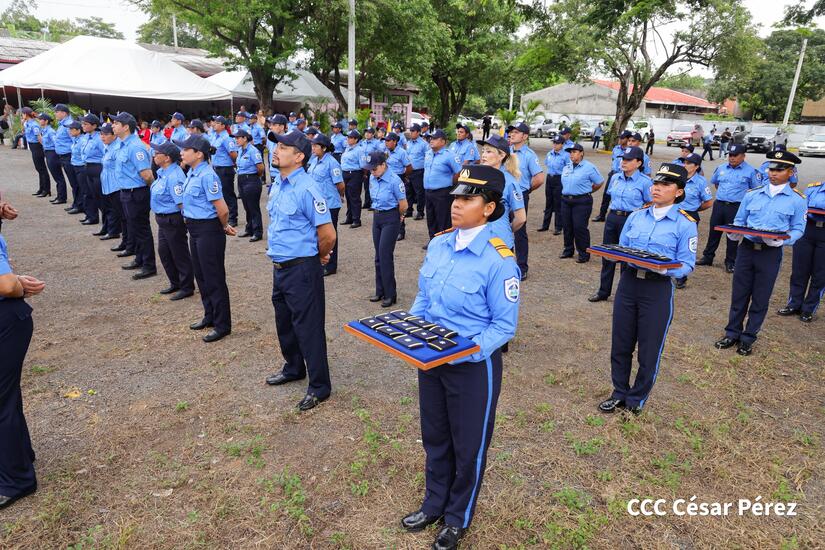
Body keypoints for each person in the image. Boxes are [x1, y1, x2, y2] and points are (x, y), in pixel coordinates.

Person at [401, 164, 519, 550]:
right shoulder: (439, 244)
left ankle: (457, 517)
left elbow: (504, 328)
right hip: (431, 359)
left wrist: (466, 350)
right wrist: (411, 332)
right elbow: (424, 299)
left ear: (488, 208)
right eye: (456, 197)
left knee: (468, 445)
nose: (456, 205)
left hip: (472, 369)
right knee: (434, 436)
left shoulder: (499, 259)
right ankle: (434, 502)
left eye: (467, 199)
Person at [597, 163, 697, 415]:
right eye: (656, 183)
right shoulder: (636, 216)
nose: (657, 188)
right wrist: (613, 256)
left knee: (649, 348)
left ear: (678, 192)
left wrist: (666, 270)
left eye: (665, 185)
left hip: (657, 289)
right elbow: (623, 248)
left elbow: (687, 264)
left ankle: (636, 399)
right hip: (629, 283)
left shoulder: (685, 223)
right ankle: (619, 391)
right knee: (621, 342)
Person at [264, 131, 336, 412]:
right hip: (280, 266)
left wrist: (315, 257)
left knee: (308, 327)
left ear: (299, 156)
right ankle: (293, 366)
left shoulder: (308, 188)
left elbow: (328, 234)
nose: (276, 150)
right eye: (276, 146)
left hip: (302, 268)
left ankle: (320, 386)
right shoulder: (279, 185)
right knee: (284, 321)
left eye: (283, 147)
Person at [714, 150, 806, 356]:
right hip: (747, 250)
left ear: (791, 172)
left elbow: (799, 228)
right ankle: (732, 332)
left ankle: (748, 338)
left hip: (770, 254)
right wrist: (734, 234)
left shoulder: (797, 200)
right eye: (771, 169)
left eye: (779, 170)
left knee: (760, 297)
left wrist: (783, 240)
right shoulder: (752, 194)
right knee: (739, 294)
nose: (773, 173)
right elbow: (740, 221)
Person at [0, 231, 46, 510]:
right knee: (7, 397)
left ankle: (16, 480)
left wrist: (16, 284)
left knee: (2, 401)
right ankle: (20, 455)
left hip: (6, 320)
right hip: (9, 319)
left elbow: (5, 286)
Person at [176, 134, 236, 342]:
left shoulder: (207, 175)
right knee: (201, 276)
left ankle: (222, 324)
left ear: (199, 154)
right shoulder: (192, 173)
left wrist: (223, 226)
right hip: (194, 229)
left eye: (185, 149)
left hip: (209, 230)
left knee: (214, 278)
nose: (181, 152)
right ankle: (209, 315)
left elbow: (222, 209)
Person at [588, 146, 651, 302]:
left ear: (638, 163)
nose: (624, 162)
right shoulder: (615, 178)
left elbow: (650, 203)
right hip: (613, 218)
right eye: (623, 159)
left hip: (631, 220)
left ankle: (624, 293)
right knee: (608, 254)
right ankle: (603, 291)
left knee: (627, 257)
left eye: (628, 160)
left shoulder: (645, 182)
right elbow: (610, 196)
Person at [696, 144, 759, 273]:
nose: (732, 158)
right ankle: (708, 257)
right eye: (730, 155)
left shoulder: (751, 171)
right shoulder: (721, 168)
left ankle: (730, 261)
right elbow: (716, 183)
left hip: (737, 207)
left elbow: (756, 191)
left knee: (733, 234)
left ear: (743, 156)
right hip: (720, 204)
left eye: (735, 155)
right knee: (714, 231)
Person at [112, 112, 157, 281]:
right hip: (126, 192)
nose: (113, 125)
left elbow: (146, 175)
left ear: (126, 127)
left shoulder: (136, 146)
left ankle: (149, 265)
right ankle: (140, 258)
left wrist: (151, 192)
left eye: (117, 123)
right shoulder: (123, 145)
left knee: (142, 229)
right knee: (133, 228)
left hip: (136, 193)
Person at [149, 141, 195, 301]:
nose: (154, 155)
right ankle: (175, 282)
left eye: (157, 153)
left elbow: (182, 203)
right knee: (164, 252)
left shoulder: (175, 176)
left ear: (167, 158)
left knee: (179, 253)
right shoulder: (163, 172)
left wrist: (185, 223)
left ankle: (187, 286)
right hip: (162, 219)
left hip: (173, 219)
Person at [364, 151, 408, 306]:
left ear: (383, 165)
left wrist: (400, 218)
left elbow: (403, 204)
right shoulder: (372, 177)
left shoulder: (394, 180)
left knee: (385, 255)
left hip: (391, 218)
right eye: (370, 169)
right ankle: (380, 291)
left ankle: (390, 294)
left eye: (374, 168)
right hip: (377, 217)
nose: (372, 171)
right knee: (378, 256)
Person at [778, 180, 825, 323]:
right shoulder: (813, 188)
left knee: (820, 275)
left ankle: (809, 309)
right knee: (799, 271)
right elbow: (803, 208)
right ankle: (794, 304)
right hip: (807, 230)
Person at [507, 122, 544, 279]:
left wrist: (526, 190)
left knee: (519, 231)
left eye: (516, 132)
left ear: (525, 136)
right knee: (502, 228)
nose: (512, 134)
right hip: (503, 195)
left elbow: (539, 178)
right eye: (511, 132)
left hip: (519, 195)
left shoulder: (529, 155)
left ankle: (522, 267)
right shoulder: (505, 151)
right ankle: (505, 264)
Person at [478, 134, 526, 251]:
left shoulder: (509, 182)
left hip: (500, 243)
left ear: (502, 155)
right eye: (483, 151)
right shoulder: (478, 176)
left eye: (489, 152)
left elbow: (521, 218)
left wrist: (506, 229)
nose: (483, 155)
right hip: (478, 241)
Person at [673, 153, 713, 289]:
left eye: (689, 163)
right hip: (674, 213)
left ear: (696, 166)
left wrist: (695, 209)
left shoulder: (700, 182)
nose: (685, 165)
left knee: (684, 246)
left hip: (689, 216)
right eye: (684, 162)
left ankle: (681, 276)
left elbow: (708, 202)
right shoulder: (678, 178)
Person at [308, 133, 345, 276]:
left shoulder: (332, 163)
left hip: (330, 205)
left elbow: (340, 185)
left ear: (323, 148)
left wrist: (339, 197)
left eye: (315, 145)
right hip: (317, 204)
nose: (313, 148)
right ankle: (321, 260)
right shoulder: (314, 160)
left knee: (330, 235)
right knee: (318, 234)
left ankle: (331, 266)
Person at [560, 143, 603, 263]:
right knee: (567, 226)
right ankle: (568, 250)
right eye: (570, 152)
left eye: (574, 152)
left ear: (581, 153)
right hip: (566, 200)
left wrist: (588, 191)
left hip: (581, 201)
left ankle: (584, 253)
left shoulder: (589, 167)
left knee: (579, 227)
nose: (571, 154)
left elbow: (599, 182)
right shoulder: (567, 167)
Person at [423, 129, 462, 244]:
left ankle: (444, 242)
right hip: (428, 191)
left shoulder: (449, 155)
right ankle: (433, 241)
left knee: (443, 219)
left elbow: (459, 172)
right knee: (431, 217)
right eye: (431, 138)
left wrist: (451, 183)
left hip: (443, 192)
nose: (431, 141)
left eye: (435, 138)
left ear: (443, 142)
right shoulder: (428, 153)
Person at [232, 129, 265, 243]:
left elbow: (260, 168)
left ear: (245, 138)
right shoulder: (240, 150)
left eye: (238, 138)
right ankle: (249, 228)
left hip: (251, 180)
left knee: (253, 207)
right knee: (246, 207)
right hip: (241, 180)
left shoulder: (253, 150)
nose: (236, 140)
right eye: (235, 138)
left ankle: (258, 232)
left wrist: (254, 177)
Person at [593, 130, 631, 222]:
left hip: (623, 176)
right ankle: (602, 215)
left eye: (622, 138)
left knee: (618, 195)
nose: (620, 140)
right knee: (606, 195)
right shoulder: (616, 148)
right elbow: (614, 161)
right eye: (620, 138)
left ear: (627, 139)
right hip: (613, 174)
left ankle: (616, 216)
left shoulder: (629, 151)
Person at [210, 116, 239, 227]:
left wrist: (234, 165)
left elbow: (233, 154)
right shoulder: (215, 136)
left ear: (223, 125)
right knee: (219, 193)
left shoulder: (227, 138)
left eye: (217, 123)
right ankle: (223, 215)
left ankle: (232, 217)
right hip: (216, 167)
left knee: (228, 193)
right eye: (214, 122)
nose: (214, 124)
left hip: (225, 169)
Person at [383, 132, 412, 241]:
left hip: (398, 178)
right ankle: (390, 229)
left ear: (395, 142)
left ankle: (401, 231)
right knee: (389, 204)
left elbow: (409, 167)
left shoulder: (401, 152)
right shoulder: (386, 152)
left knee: (399, 205)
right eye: (385, 141)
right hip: (387, 179)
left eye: (388, 141)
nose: (386, 143)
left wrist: (404, 176)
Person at [98, 123, 124, 244]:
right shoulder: (107, 147)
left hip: (116, 185)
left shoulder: (117, 148)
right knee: (110, 209)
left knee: (119, 213)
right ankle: (112, 230)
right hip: (107, 184)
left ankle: (120, 236)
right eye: (101, 134)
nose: (102, 137)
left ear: (114, 136)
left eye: (106, 134)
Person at [538, 136, 568, 234]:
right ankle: (545, 225)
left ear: (562, 145)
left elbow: (568, 169)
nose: (555, 145)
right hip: (549, 178)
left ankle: (558, 227)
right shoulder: (549, 154)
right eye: (554, 143)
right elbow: (547, 164)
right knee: (548, 203)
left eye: (557, 143)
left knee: (558, 204)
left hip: (559, 179)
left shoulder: (566, 155)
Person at [80, 114, 104, 229]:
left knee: (100, 196)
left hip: (97, 167)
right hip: (87, 166)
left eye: (86, 124)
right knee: (89, 193)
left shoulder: (99, 138)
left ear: (94, 126)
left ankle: (109, 225)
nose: (83, 126)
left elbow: (105, 154)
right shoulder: (85, 137)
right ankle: (92, 216)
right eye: (82, 123)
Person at [22, 108, 50, 197]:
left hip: (37, 147)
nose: (22, 116)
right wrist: (23, 122)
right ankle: (41, 188)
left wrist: (45, 148)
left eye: (22, 114)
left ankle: (46, 189)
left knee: (42, 169)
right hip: (32, 147)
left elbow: (39, 138)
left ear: (26, 114)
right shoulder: (27, 123)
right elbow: (25, 132)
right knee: (38, 169)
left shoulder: (34, 125)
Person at [39, 113, 65, 203]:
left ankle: (62, 197)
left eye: (41, 119)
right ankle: (60, 196)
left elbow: (56, 142)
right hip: (48, 152)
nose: (39, 120)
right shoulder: (45, 130)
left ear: (46, 121)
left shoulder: (50, 131)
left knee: (58, 176)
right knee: (56, 176)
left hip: (52, 153)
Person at [341, 129, 364, 228]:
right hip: (345, 173)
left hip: (355, 174)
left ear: (356, 139)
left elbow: (363, 165)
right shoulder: (347, 148)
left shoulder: (360, 150)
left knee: (354, 197)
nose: (348, 139)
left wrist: (362, 175)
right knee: (348, 196)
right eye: (348, 137)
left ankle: (356, 219)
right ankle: (349, 217)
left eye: (350, 138)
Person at [405, 123, 428, 220]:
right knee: (408, 191)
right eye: (410, 131)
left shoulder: (424, 144)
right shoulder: (408, 143)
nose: (411, 133)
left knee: (419, 192)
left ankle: (420, 211)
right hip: (409, 170)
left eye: (413, 131)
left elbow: (427, 158)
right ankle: (409, 210)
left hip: (419, 171)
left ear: (418, 132)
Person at [68, 121, 89, 220]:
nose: (69, 131)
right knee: (76, 186)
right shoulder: (75, 139)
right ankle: (78, 205)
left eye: (72, 129)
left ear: (78, 130)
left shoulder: (82, 140)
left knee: (84, 190)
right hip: (75, 165)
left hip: (81, 166)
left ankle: (85, 209)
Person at [360, 127, 381, 209]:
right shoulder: (363, 143)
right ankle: (367, 202)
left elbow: (380, 154)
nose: (367, 134)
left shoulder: (376, 143)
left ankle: (374, 203)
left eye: (369, 132)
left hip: (373, 166)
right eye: (366, 132)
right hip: (365, 167)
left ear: (373, 134)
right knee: (366, 186)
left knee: (373, 185)